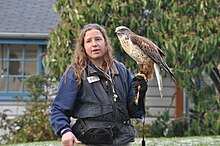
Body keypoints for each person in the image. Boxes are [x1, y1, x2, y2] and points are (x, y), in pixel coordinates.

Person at [50, 23, 148, 146]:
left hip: (122, 140)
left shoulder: (121, 70)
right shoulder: (75, 72)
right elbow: (58, 109)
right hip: (90, 140)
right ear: (83, 47)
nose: (94, 44)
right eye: (89, 41)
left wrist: (139, 92)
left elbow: (133, 110)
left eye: (98, 39)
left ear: (106, 43)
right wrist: (65, 131)